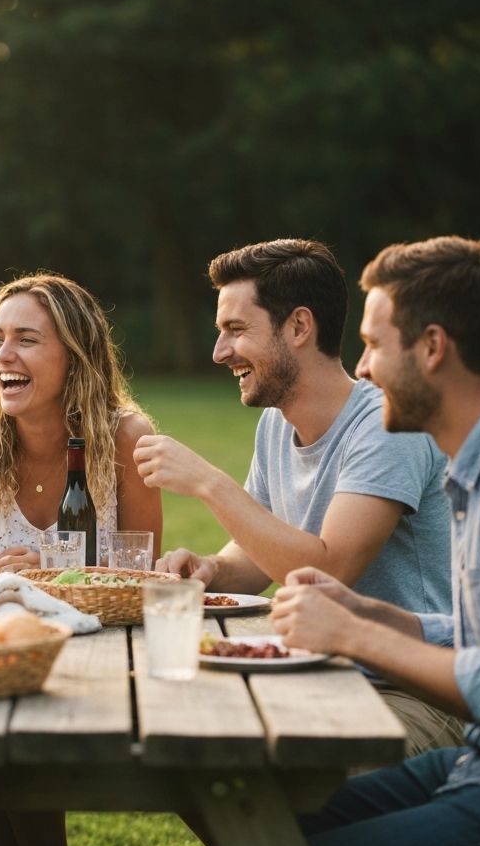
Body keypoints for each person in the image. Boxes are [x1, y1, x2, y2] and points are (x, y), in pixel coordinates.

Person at [203, 235, 480, 846]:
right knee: (255, 830)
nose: (362, 368)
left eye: (374, 345)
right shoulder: (466, 477)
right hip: (468, 758)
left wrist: (358, 635)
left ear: (433, 348)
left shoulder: (417, 446)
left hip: (437, 732)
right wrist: (374, 615)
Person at [134, 238, 461, 755]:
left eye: (236, 331)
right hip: (322, 667)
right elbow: (258, 550)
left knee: (233, 771)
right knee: (177, 749)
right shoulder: (274, 424)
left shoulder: (386, 425)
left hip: (416, 691)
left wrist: (209, 484)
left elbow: (327, 574)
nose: (220, 352)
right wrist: (210, 570)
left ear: (299, 327)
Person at [0, 272, 163, 846]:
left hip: (104, 656)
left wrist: (52, 574)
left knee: (13, 753)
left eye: (26, 340)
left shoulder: (126, 439)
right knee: (11, 739)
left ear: (75, 357)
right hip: (0, 649)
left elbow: (142, 574)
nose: (4, 355)